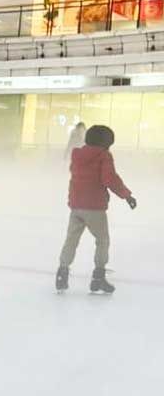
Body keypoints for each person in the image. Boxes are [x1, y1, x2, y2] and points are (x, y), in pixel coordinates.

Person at [55, 124, 136, 294]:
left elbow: (76, 177)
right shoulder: (103, 156)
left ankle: (62, 273)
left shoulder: (77, 155)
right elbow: (110, 179)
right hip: (94, 207)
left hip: (76, 206)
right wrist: (127, 195)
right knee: (102, 240)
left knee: (71, 239)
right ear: (105, 142)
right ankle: (98, 277)